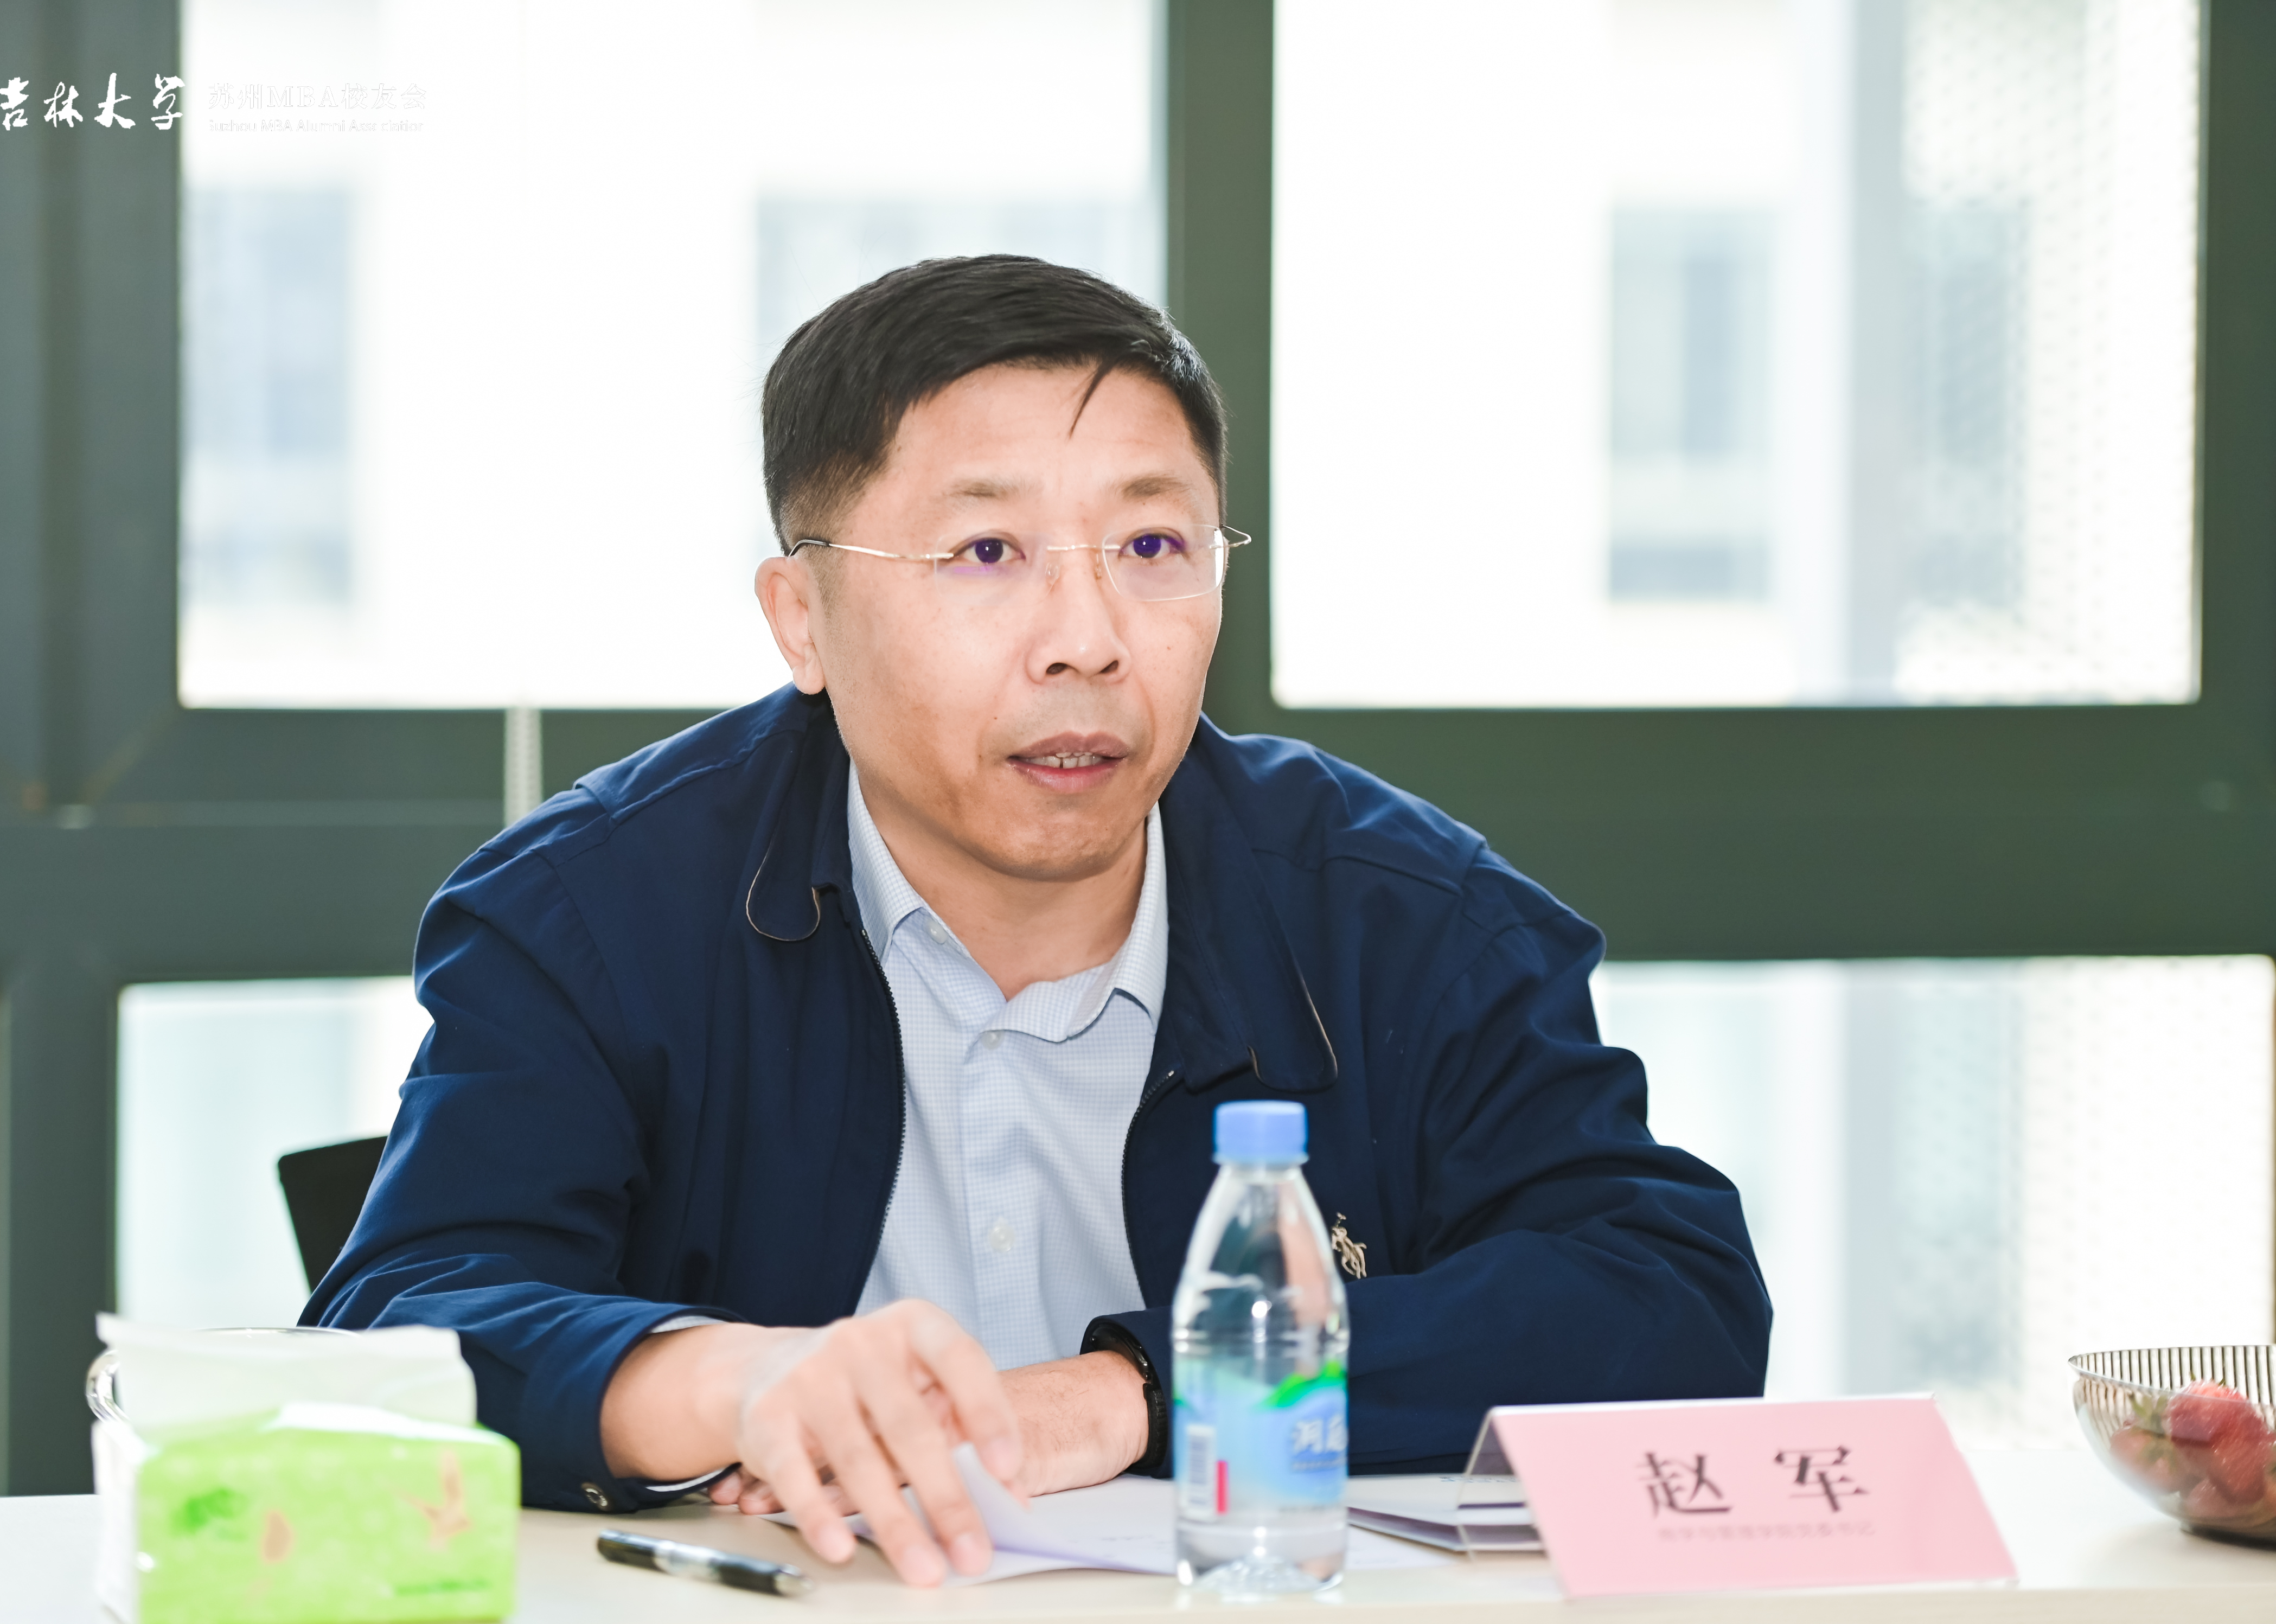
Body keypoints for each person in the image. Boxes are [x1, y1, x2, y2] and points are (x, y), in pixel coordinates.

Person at [307, 254, 1770, 1586]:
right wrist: (733, 1382)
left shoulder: (1400, 915)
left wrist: (1144, 1391)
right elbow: (395, 1322)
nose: (1088, 640)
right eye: (988, 555)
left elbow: (1669, 1294)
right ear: (802, 617)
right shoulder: (593, 909)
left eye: (1153, 547)